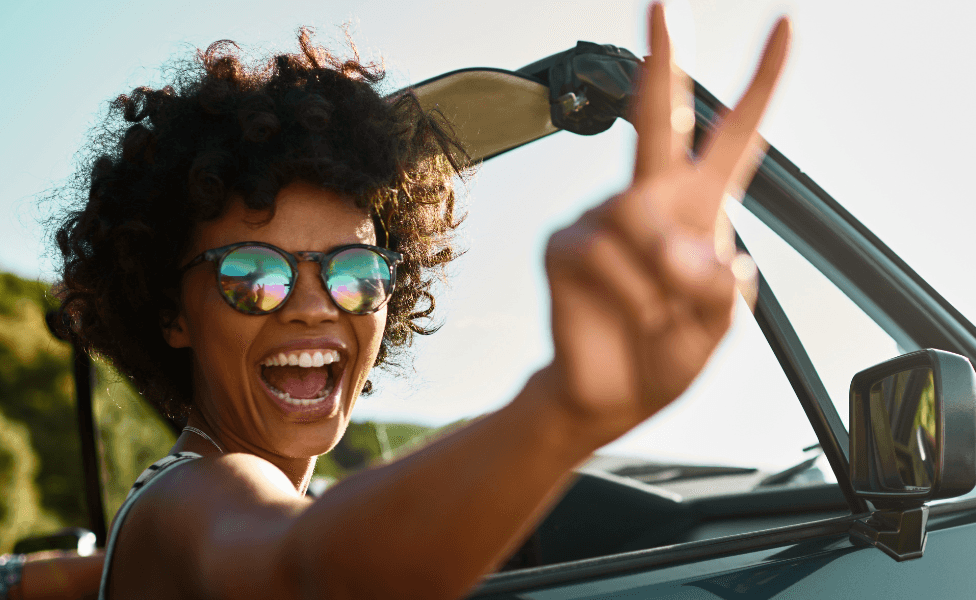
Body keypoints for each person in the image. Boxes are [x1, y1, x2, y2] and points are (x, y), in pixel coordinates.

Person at [50, 4, 789, 598]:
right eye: (253, 275)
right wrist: (565, 407)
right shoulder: (193, 499)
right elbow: (306, 571)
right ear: (171, 313)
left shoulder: (252, 498)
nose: (313, 307)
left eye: (353, 272)